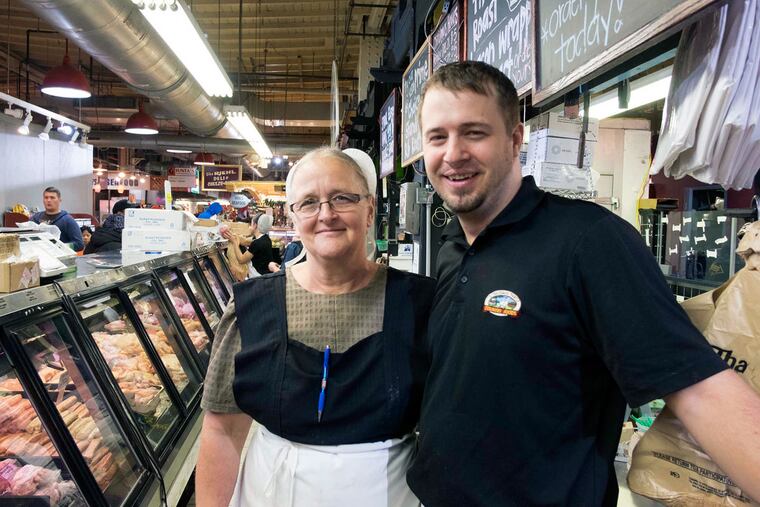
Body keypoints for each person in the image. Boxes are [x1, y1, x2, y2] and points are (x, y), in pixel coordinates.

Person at [407, 61, 760, 505]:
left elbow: (701, 391)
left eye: (474, 132)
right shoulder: (452, 248)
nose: (453, 153)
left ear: (515, 140)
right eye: (437, 137)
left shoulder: (589, 243)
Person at [196, 147, 435, 506]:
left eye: (342, 198)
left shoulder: (421, 303)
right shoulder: (250, 307)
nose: (326, 214)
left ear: (369, 210)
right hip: (273, 493)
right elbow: (222, 431)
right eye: (309, 202)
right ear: (293, 217)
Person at [31, 186, 84, 251]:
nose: (48, 200)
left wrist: (59, 246)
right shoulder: (35, 218)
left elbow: (79, 244)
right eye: (46, 197)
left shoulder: (68, 220)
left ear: (59, 200)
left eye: (52, 198)